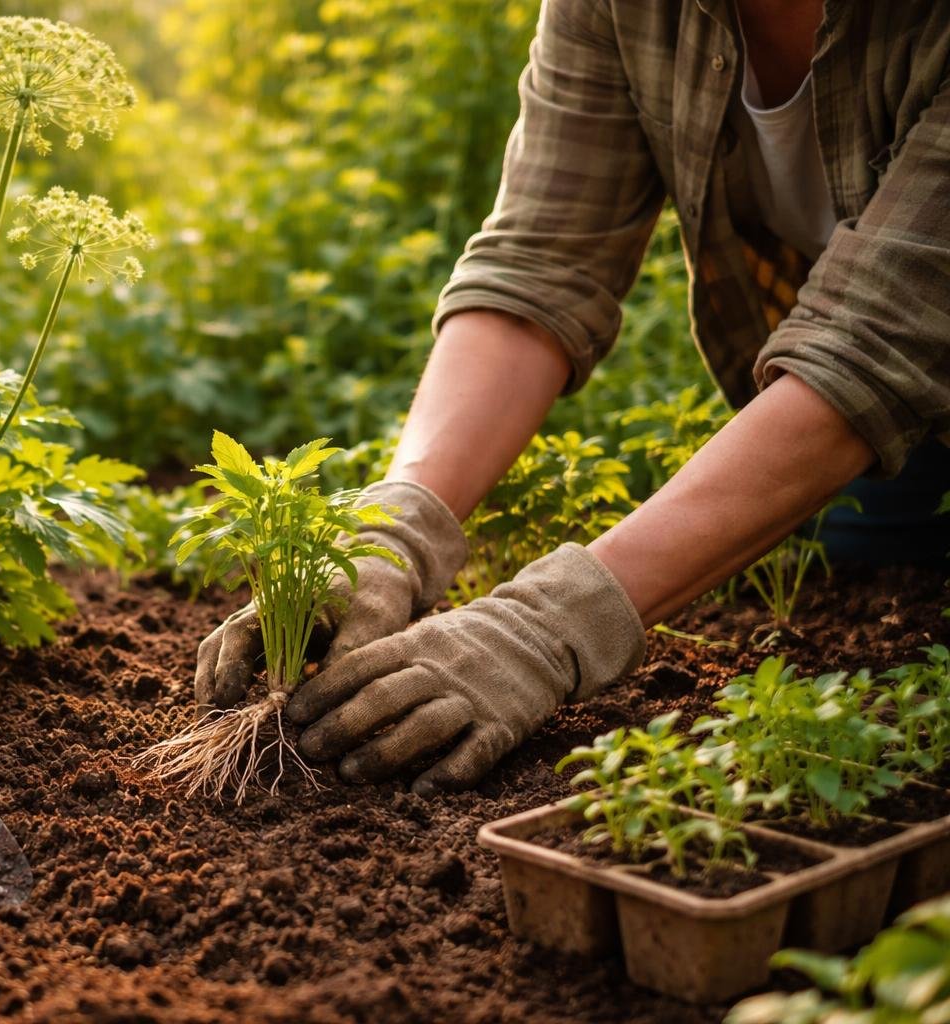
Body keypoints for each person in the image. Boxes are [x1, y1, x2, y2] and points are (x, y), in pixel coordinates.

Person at [195, 0, 950, 794]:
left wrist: (552, 622)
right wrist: (395, 523)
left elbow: (880, 338)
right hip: (858, 426)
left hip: (876, 379)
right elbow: (541, 259)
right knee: (875, 590)